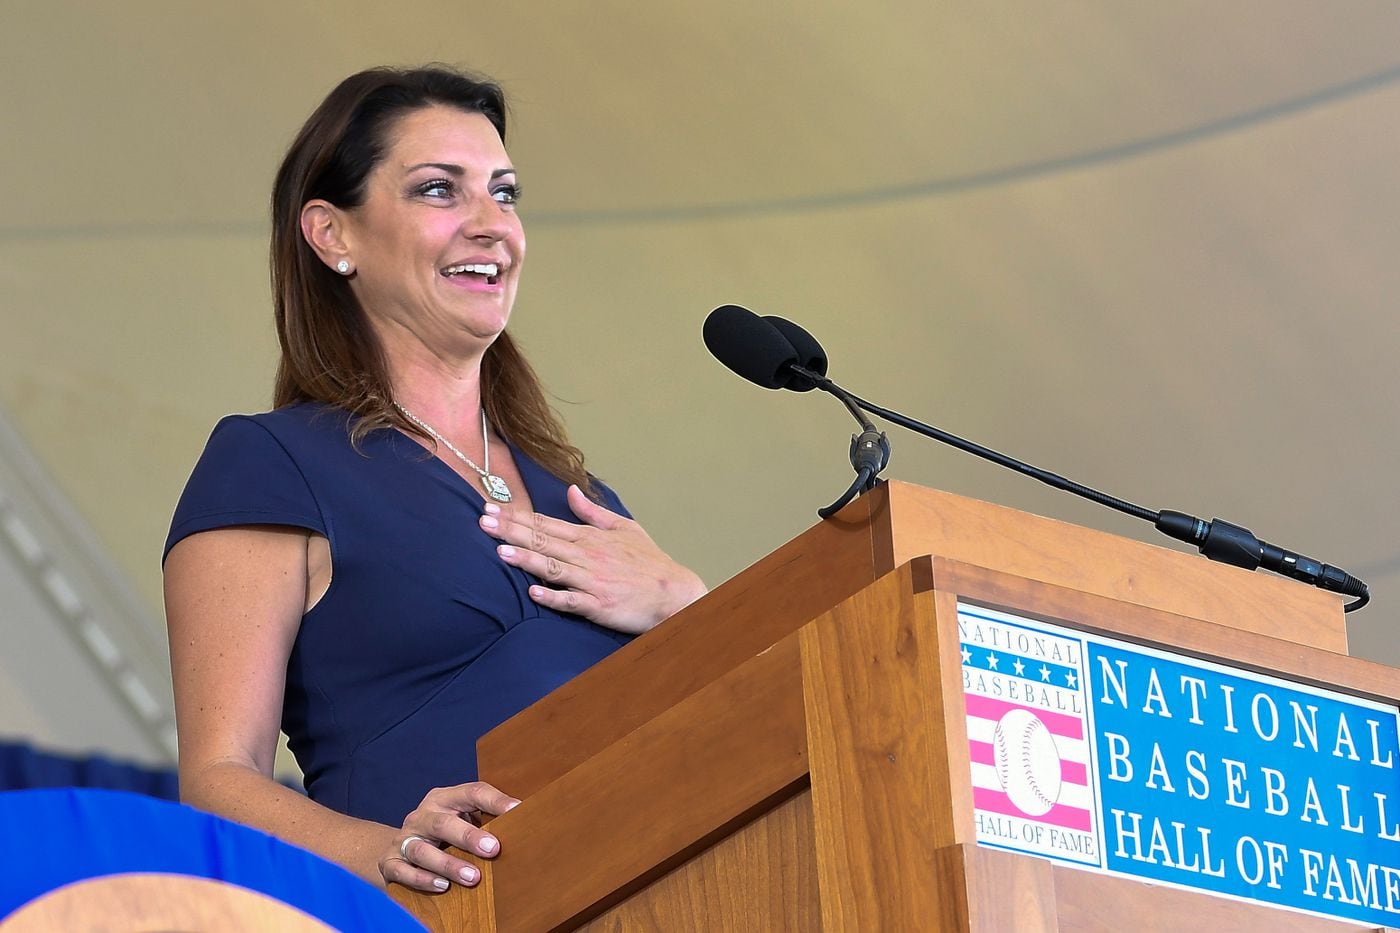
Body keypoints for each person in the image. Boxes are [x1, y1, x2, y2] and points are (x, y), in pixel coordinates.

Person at [162, 65, 706, 895]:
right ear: (331, 235)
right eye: (439, 191)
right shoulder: (272, 463)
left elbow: (717, 721)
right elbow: (218, 780)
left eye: (506, 193)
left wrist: (682, 598)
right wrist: (384, 850)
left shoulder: (582, 501)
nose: (493, 226)